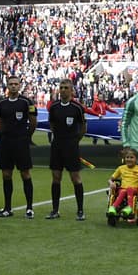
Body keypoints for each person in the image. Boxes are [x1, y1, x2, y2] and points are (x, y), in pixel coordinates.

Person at [0, 76, 37, 219]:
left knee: (25, 174)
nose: (13, 86)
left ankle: (29, 208)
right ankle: (7, 208)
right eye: (11, 84)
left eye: (16, 84)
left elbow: (32, 122)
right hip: (6, 143)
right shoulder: (1, 104)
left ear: (20, 86)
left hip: (21, 142)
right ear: (7, 86)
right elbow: (0, 121)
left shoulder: (26, 102)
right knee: (6, 174)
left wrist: (26, 136)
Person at [46, 78, 87, 220]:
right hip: (57, 145)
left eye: (66, 88)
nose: (63, 90)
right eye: (61, 87)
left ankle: (80, 211)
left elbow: (83, 127)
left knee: (75, 177)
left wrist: (75, 140)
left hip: (71, 146)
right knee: (56, 177)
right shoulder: (54, 107)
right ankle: (55, 210)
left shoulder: (77, 108)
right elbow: (51, 124)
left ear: (71, 90)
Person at [107, 146, 138, 219]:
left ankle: (129, 208)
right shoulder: (121, 168)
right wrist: (111, 183)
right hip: (123, 189)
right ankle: (113, 208)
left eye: (131, 157)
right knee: (123, 191)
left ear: (136, 159)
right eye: (127, 157)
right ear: (124, 158)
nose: (129, 159)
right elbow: (110, 179)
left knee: (129, 189)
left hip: (135, 190)